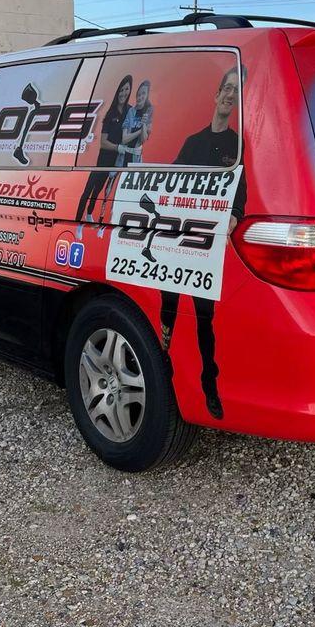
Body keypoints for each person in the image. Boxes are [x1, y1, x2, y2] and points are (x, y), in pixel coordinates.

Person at [159, 66, 247, 421]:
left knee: (203, 320)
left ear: (238, 102)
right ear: (216, 95)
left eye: (236, 92)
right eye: (226, 88)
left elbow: (240, 189)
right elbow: (170, 181)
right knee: (167, 312)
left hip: (207, 247)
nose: (229, 95)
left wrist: (234, 218)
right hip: (176, 241)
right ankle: (162, 375)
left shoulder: (236, 145)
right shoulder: (192, 142)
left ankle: (209, 387)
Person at [75, 75, 132, 240]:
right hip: (102, 161)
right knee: (88, 191)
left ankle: (90, 215)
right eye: (121, 89)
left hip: (116, 162)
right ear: (117, 91)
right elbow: (103, 142)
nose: (123, 92)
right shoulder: (111, 112)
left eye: (126, 89)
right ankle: (78, 224)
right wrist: (117, 147)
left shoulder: (130, 111)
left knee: (99, 192)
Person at [96, 80, 154, 238]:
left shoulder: (149, 111)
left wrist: (143, 126)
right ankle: (102, 221)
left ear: (147, 95)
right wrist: (139, 131)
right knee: (110, 189)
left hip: (136, 158)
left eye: (144, 93)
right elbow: (125, 138)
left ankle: (122, 227)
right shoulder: (131, 111)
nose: (141, 96)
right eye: (139, 93)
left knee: (130, 195)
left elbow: (143, 140)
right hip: (123, 156)